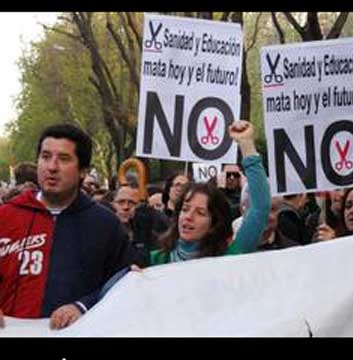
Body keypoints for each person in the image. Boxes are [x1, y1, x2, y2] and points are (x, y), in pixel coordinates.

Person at [0, 124, 138, 330]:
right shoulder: (6, 216)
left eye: (63, 159)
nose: (52, 167)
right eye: (45, 157)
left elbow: (124, 285)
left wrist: (82, 306)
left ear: (82, 170)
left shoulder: (106, 225)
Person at [150, 120, 271, 265]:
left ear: (214, 224)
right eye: (185, 209)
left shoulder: (228, 259)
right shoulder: (156, 260)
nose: (188, 217)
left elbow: (260, 208)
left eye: (200, 213)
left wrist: (246, 144)